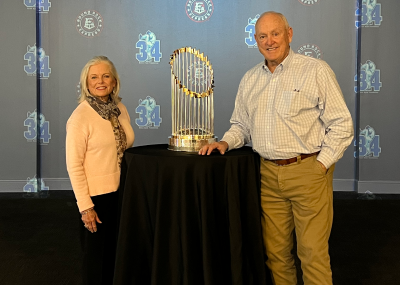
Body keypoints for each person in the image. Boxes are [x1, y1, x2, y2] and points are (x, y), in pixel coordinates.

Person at [199, 11, 354, 285]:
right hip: (268, 177)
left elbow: (342, 124)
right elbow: (240, 125)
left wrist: (321, 164)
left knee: (313, 254)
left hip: (308, 171)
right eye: (262, 36)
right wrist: (224, 142)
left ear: (289, 34)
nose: (269, 41)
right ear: (255, 40)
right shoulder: (250, 79)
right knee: (276, 255)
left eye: (275, 33)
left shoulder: (315, 70)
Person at [66, 55, 134, 284]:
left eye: (106, 76)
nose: (100, 81)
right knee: (96, 259)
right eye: (94, 77)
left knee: (117, 254)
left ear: (114, 82)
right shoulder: (80, 117)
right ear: (86, 84)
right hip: (96, 198)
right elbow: (74, 165)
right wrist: (86, 208)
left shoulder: (120, 108)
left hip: (121, 193)